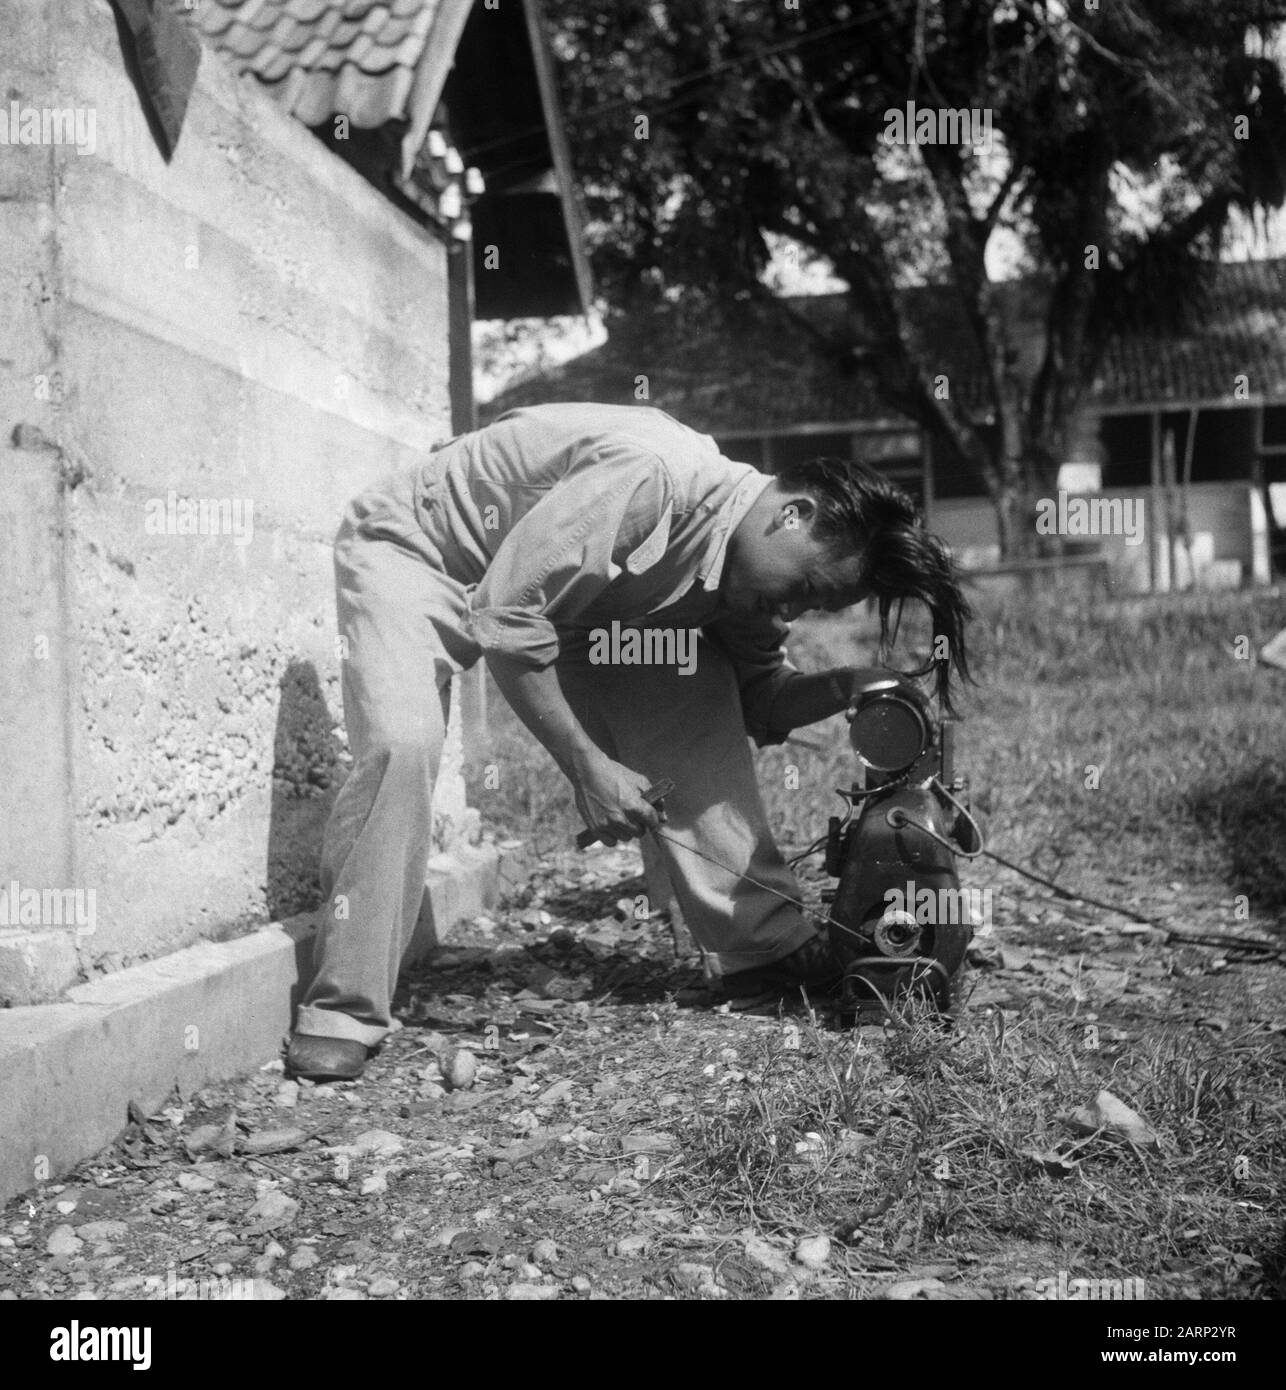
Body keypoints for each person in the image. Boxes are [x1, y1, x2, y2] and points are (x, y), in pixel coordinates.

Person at [286, 403, 972, 1081]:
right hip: (423, 551)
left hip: (573, 608)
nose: (791, 610)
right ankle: (342, 1009)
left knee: (697, 677)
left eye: (813, 607)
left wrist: (852, 684)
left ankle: (762, 950)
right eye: (802, 588)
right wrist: (590, 769)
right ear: (791, 515)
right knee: (402, 746)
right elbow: (505, 613)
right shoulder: (653, 481)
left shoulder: (743, 575)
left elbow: (761, 703)